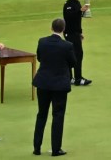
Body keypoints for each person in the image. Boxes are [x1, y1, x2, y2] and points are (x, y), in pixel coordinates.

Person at [33, 17, 77, 157]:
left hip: (43, 83)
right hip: (59, 84)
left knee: (42, 114)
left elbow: (39, 57)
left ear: (51, 28)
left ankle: (37, 147)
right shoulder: (67, 45)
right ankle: (56, 149)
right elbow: (73, 62)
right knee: (58, 115)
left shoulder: (42, 41)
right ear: (63, 29)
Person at [62, 0, 91, 86]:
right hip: (70, 34)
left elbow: (77, 19)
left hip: (75, 33)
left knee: (75, 55)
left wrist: (80, 32)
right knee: (77, 55)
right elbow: (69, 17)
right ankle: (78, 78)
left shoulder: (77, 3)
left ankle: (71, 78)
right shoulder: (68, 4)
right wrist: (80, 10)